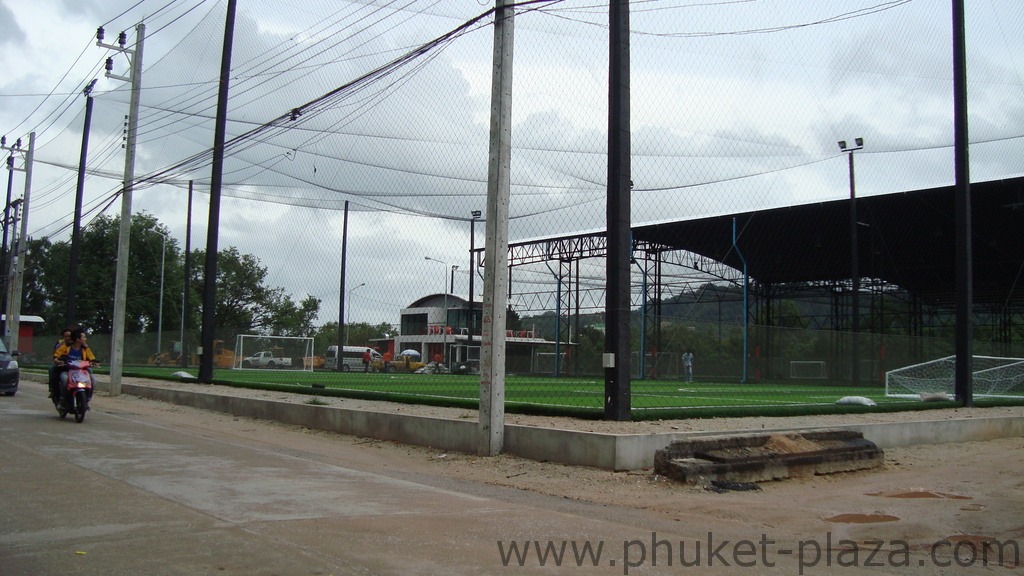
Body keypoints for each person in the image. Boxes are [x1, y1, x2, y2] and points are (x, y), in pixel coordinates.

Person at [53, 328, 98, 406]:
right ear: (78, 339)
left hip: (82, 372)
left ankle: (87, 399)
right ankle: (62, 399)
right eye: (83, 337)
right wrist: (58, 361)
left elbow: (92, 358)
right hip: (68, 371)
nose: (85, 339)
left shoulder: (85, 348)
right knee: (64, 379)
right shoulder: (65, 347)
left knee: (93, 379)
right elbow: (56, 356)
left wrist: (94, 363)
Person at [48, 327, 75, 401]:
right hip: (64, 366)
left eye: (69, 336)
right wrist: (58, 360)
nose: (67, 338)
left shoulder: (78, 345)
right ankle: (53, 390)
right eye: (65, 336)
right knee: (52, 369)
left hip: (76, 368)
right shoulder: (61, 345)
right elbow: (56, 355)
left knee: (90, 372)